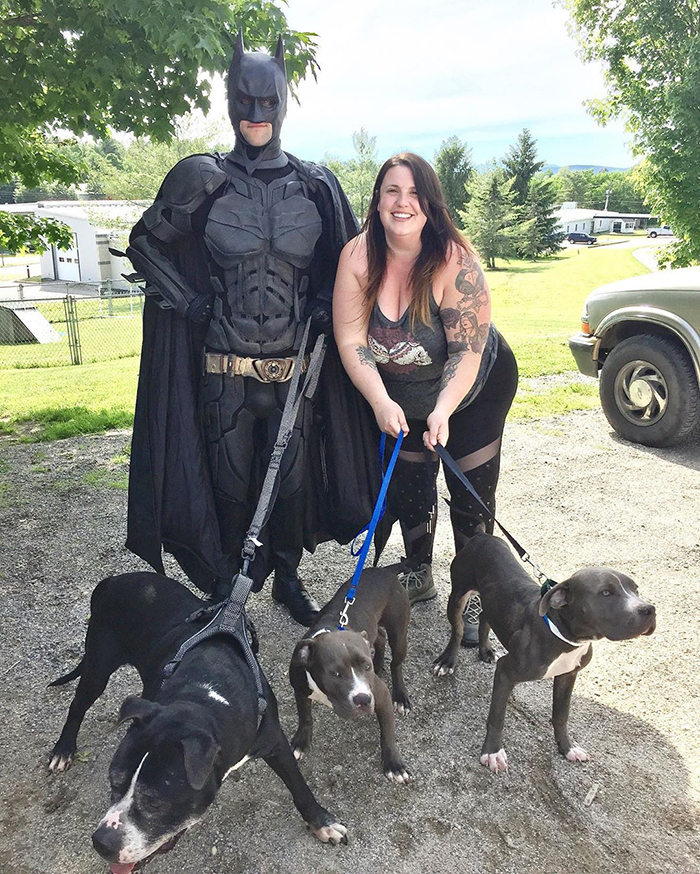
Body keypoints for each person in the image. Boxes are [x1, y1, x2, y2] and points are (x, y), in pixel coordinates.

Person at [124, 34, 375, 626]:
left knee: (289, 484)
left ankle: (285, 576)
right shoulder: (201, 179)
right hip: (223, 367)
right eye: (245, 101)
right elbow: (145, 243)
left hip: (294, 370)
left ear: (284, 101)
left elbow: (349, 263)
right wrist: (188, 304)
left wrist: (321, 303)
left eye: (268, 102)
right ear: (230, 99)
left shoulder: (316, 186)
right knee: (230, 482)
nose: (256, 116)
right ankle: (224, 584)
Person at [332, 152, 518, 644]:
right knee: (410, 481)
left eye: (415, 193)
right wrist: (377, 400)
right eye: (392, 191)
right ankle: (420, 570)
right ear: (376, 201)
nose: (402, 202)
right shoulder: (357, 256)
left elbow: (466, 352)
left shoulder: (454, 261)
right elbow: (352, 341)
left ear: (431, 206)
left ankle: (477, 590)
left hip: (474, 390)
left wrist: (443, 409)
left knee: (469, 488)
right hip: (399, 394)